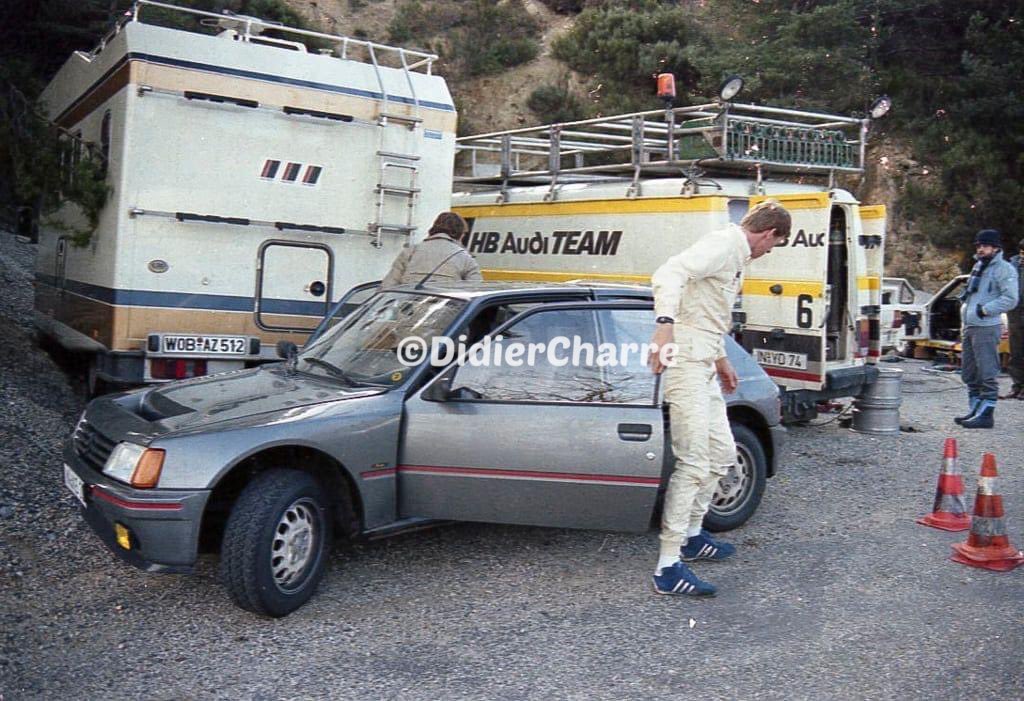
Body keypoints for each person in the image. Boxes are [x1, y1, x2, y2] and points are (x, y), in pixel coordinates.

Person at [647, 199, 791, 597]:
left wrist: (722, 359)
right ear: (768, 234)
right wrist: (664, 326)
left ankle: (692, 536)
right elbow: (669, 273)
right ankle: (667, 567)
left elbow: (706, 311)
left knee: (722, 454)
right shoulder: (724, 245)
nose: (769, 252)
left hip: (705, 361)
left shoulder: (737, 255)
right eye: (774, 245)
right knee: (694, 462)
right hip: (686, 363)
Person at [955, 229, 1019, 428]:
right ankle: (975, 409)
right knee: (969, 372)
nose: (980, 249)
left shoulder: (1004, 269)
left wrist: (985, 310)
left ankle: (986, 415)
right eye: (979, 245)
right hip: (970, 326)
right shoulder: (979, 266)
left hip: (986, 326)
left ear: (996, 248)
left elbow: (1011, 298)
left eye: (985, 246)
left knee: (987, 371)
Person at [381, 212, 482, 288]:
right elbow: (475, 289)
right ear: (460, 234)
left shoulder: (411, 251)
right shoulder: (464, 257)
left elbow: (388, 286)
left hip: (409, 308)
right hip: (446, 309)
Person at [999, 238, 1024, 399]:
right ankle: (1017, 385)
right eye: (1022, 252)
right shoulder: (1012, 266)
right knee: (1016, 351)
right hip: (1015, 312)